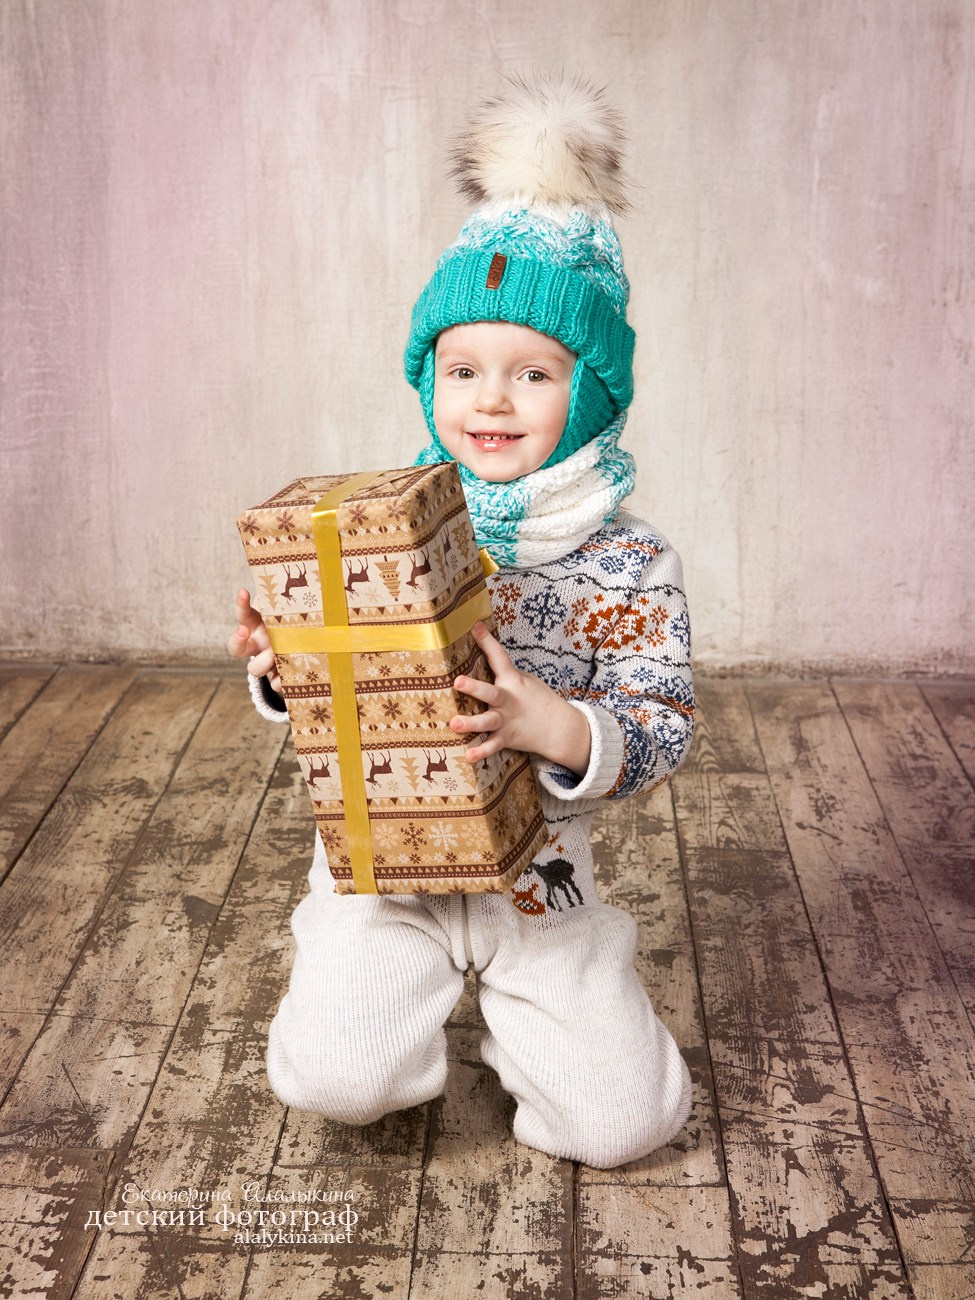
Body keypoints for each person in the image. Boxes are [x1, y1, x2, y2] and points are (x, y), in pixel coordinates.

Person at [228, 72, 695, 1169]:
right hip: (389, 872)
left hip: (542, 882)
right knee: (333, 1077)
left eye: (532, 373)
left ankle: (538, 1016)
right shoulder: (384, 525)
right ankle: (388, 989)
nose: (490, 398)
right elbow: (337, 689)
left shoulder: (629, 560)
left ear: (590, 393)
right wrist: (285, 659)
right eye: (463, 369)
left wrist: (556, 727)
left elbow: (663, 723)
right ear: (428, 378)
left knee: (624, 1125)